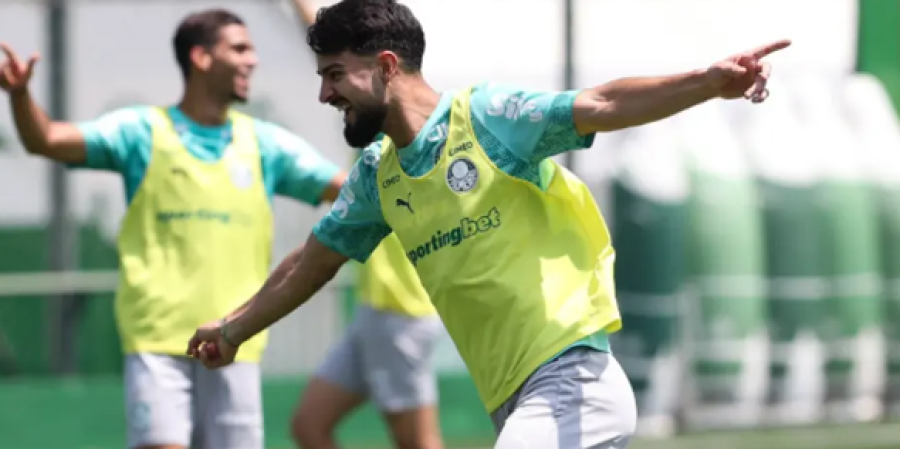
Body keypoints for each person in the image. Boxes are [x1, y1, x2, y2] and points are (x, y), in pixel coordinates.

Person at [186, 0, 790, 448]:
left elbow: (603, 102)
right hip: (513, 401)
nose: (324, 93)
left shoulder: (488, 119)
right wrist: (236, 328)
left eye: (335, 73)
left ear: (387, 66)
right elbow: (311, 262)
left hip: (574, 382)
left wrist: (709, 84)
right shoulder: (378, 174)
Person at [0, 9, 347, 449]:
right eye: (239, 48)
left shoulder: (265, 144)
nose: (252, 61)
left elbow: (350, 193)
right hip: (158, 344)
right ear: (201, 58)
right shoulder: (142, 132)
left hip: (234, 343)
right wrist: (19, 96)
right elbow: (45, 139)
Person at [291, 156, 445, 448]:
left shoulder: (409, 137)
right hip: (372, 312)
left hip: (402, 314)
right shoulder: (368, 142)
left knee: (416, 442)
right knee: (308, 425)